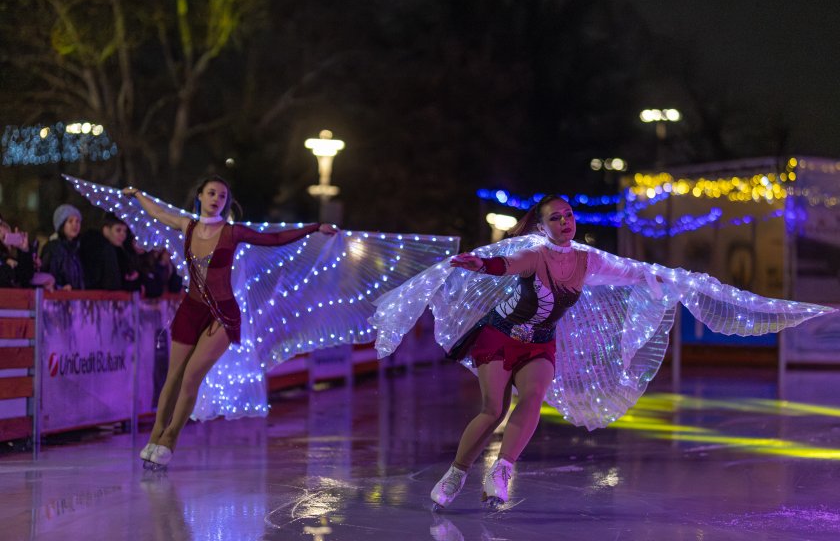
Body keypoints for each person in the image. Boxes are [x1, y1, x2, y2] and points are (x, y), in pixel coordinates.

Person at [371, 194, 834, 509]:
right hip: (501, 337)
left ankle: (503, 468)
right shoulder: (533, 253)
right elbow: (503, 265)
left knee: (532, 399)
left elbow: (634, 273)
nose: (565, 221)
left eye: (569, 215)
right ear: (542, 225)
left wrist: (670, 280)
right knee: (494, 408)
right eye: (556, 217)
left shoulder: (590, 260)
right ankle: (457, 472)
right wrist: (481, 263)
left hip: (539, 344)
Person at [121, 176, 338, 469]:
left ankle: (170, 438)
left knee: (190, 378)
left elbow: (274, 240)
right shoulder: (188, 225)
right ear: (200, 196)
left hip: (222, 315)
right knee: (172, 377)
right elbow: (159, 213)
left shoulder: (232, 233)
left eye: (222, 196)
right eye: (211, 193)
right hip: (190, 310)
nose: (216, 199)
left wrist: (314, 228)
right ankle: (155, 435)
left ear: (226, 202)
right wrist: (137, 194)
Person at [41, 204, 85, 290]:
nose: (75, 225)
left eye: (77, 221)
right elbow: (48, 275)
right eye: (70, 221)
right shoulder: (53, 248)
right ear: (61, 225)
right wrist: (59, 288)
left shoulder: (76, 249)